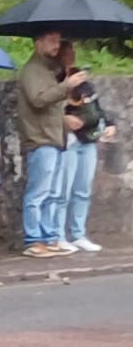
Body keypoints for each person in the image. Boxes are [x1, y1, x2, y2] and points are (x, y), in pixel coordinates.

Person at [18, 30, 75, 257]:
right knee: (38, 192)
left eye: (58, 41)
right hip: (41, 137)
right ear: (38, 42)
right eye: (52, 41)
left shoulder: (50, 69)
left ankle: (50, 237)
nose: (56, 45)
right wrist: (66, 86)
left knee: (53, 192)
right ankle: (33, 239)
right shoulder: (32, 70)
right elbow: (38, 99)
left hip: (54, 136)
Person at [54, 41, 112, 253]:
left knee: (82, 189)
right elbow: (49, 106)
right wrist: (64, 118)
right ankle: (58, 235)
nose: (71, 56)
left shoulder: (83, 82)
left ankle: (78, 233)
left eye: (72, 52)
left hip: (88, 139)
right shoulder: (55, 79)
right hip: (68, 140)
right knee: (63, 190)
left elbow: (97, 107)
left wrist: (110, 124)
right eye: (67, 52)